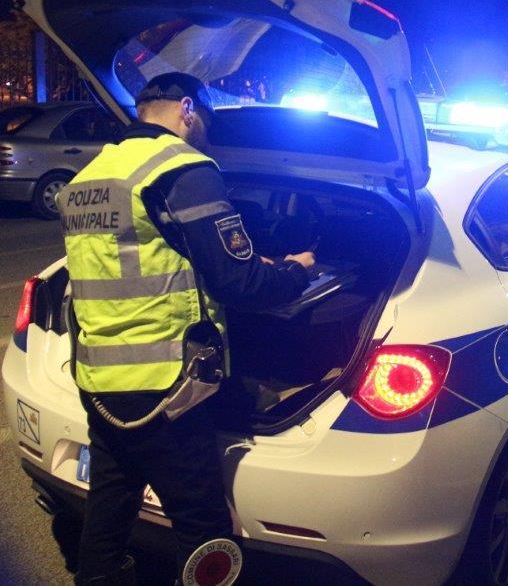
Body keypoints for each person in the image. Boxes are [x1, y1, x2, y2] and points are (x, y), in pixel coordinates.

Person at [58, 73, 316, 585]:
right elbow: (240, 283)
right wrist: (296, 270)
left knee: (109, 510)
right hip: (166, 389)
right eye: (204, 122)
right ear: (187, 108)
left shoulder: (91, 175)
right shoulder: (183, 167)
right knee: (202, 528)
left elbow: (140, 257)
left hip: (101, 383)